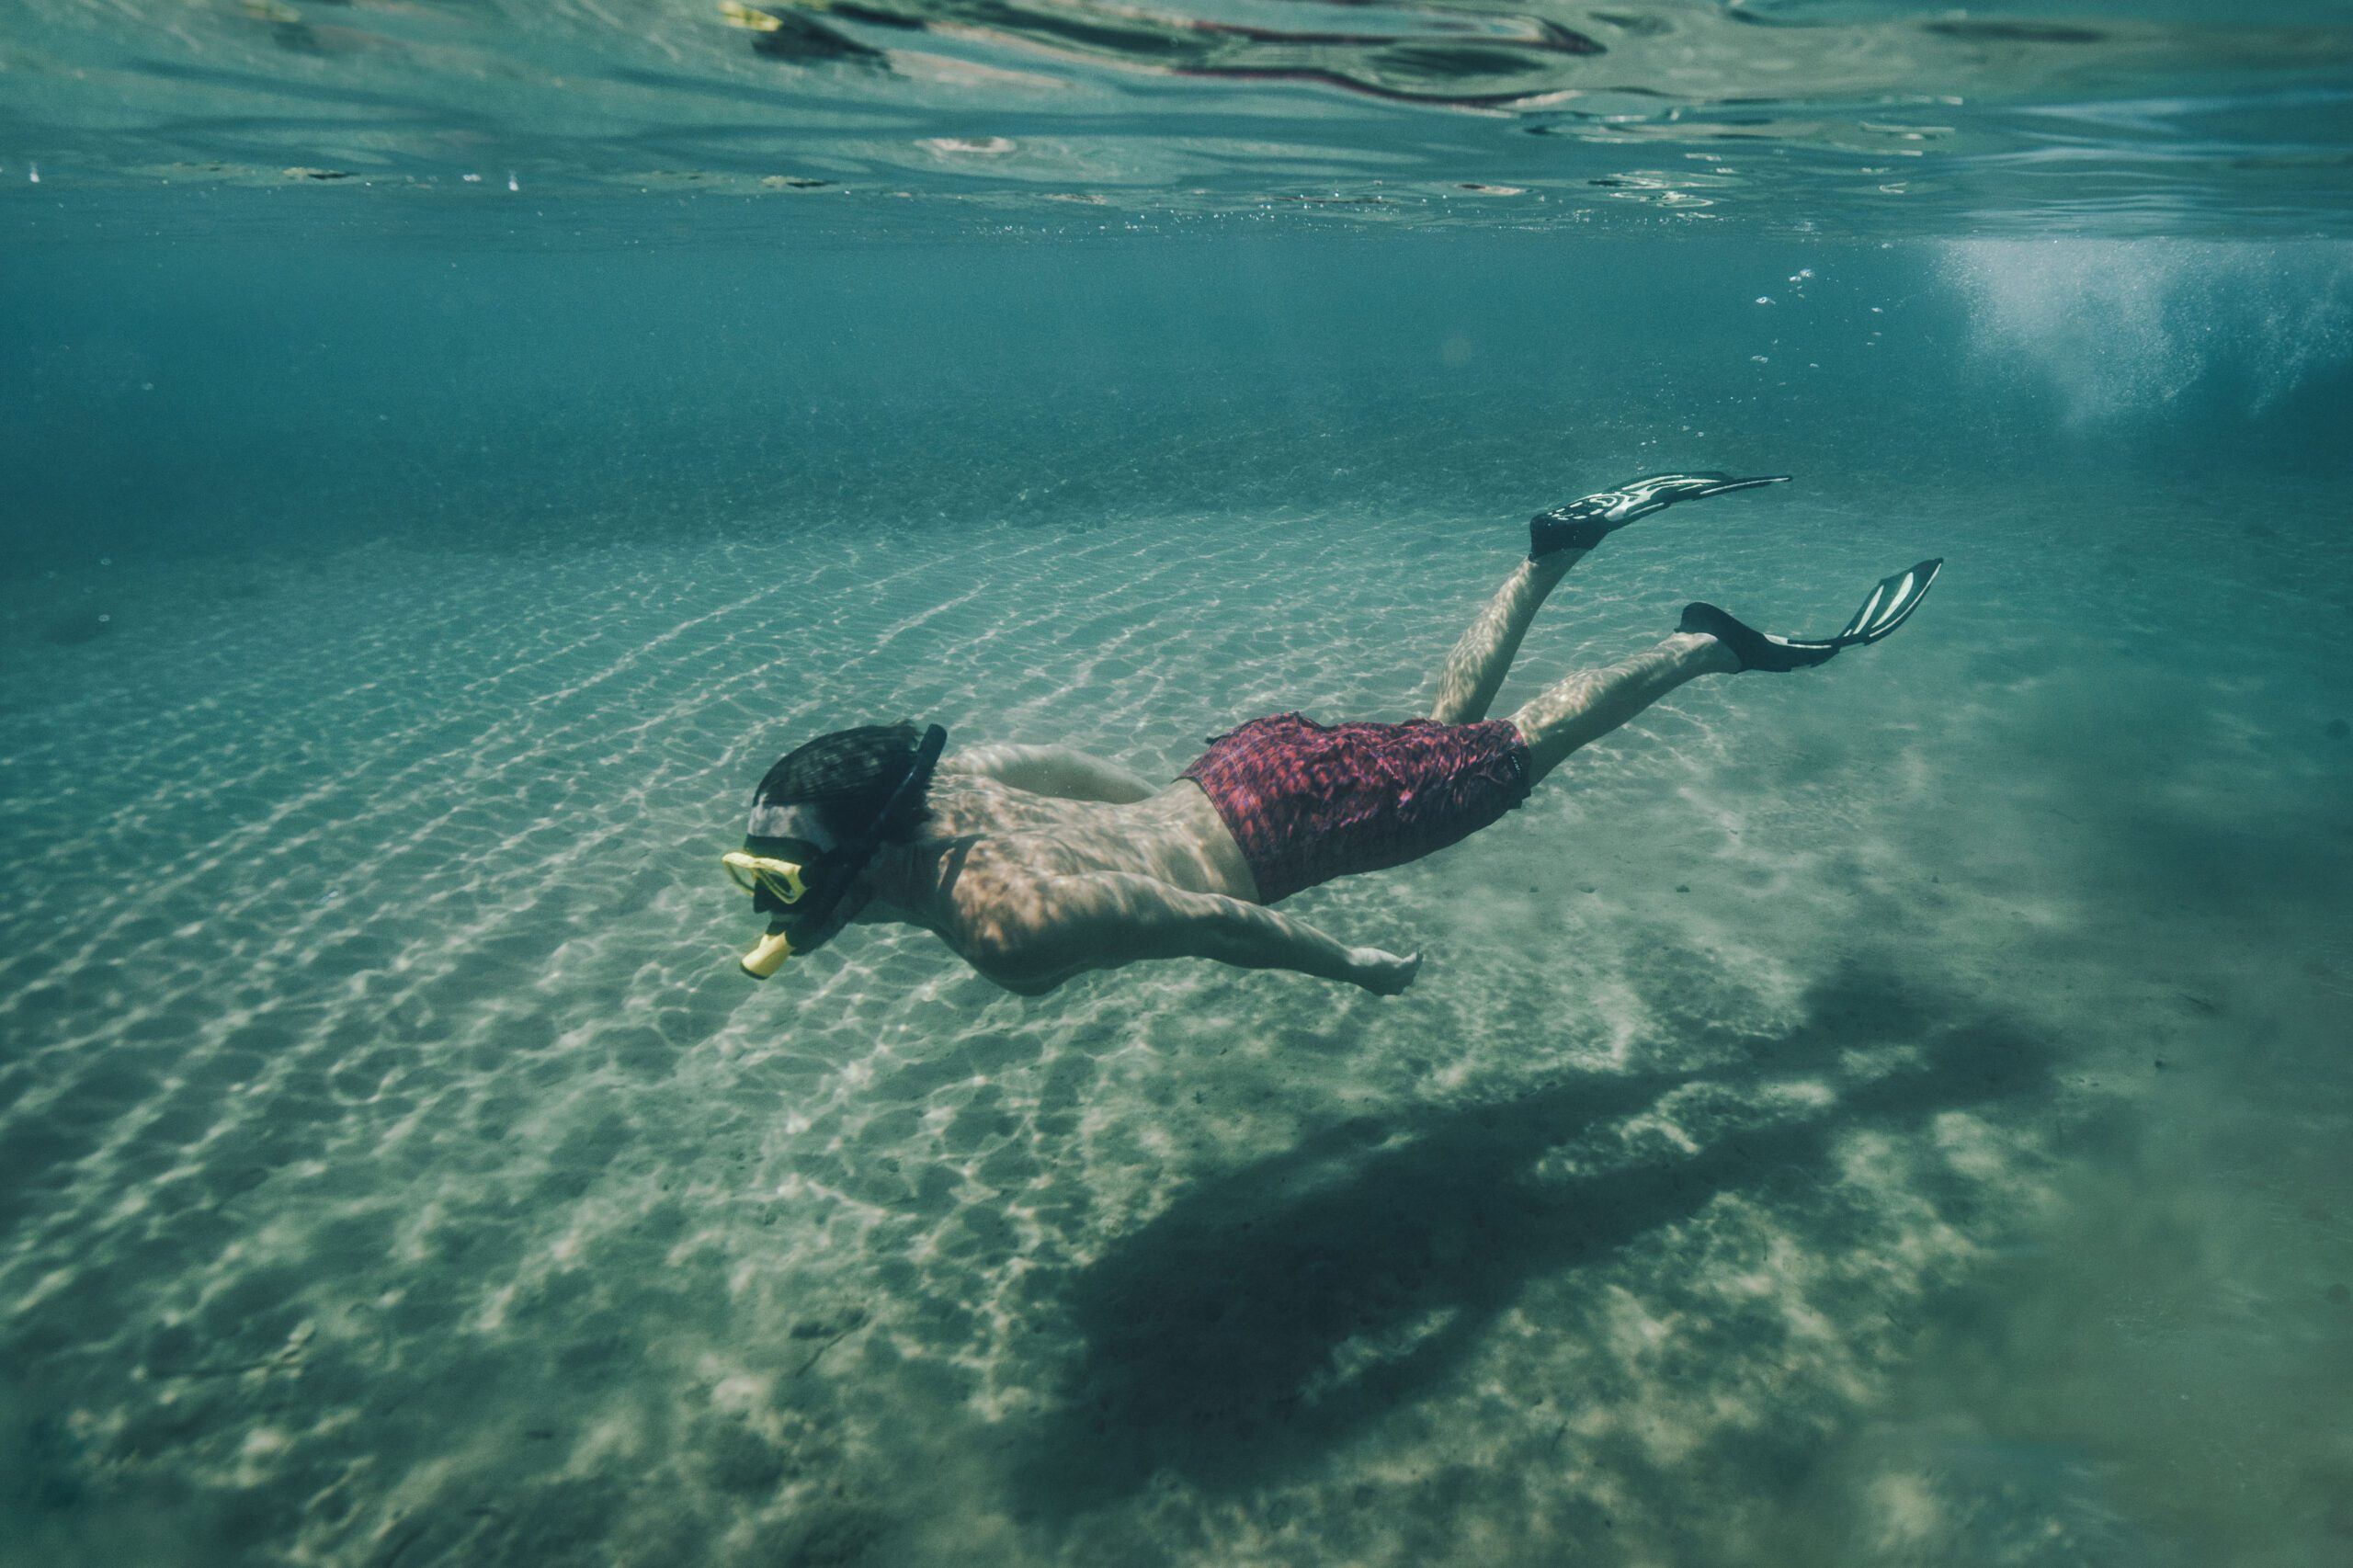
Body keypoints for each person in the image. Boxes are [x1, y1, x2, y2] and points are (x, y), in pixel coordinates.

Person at [719, 473, 1939, 994]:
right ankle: (1549, 553)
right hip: (1242, 768)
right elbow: (1071, 774)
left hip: (1285, 830)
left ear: (873, 847)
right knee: (1430, 734)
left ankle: (1708, 647)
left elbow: (1205, 919)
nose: (778, 903)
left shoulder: (1005, 929)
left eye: (787, 873)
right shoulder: (954, 788)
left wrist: (1349, 967)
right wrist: (1166, 807)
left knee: (1507, 755)